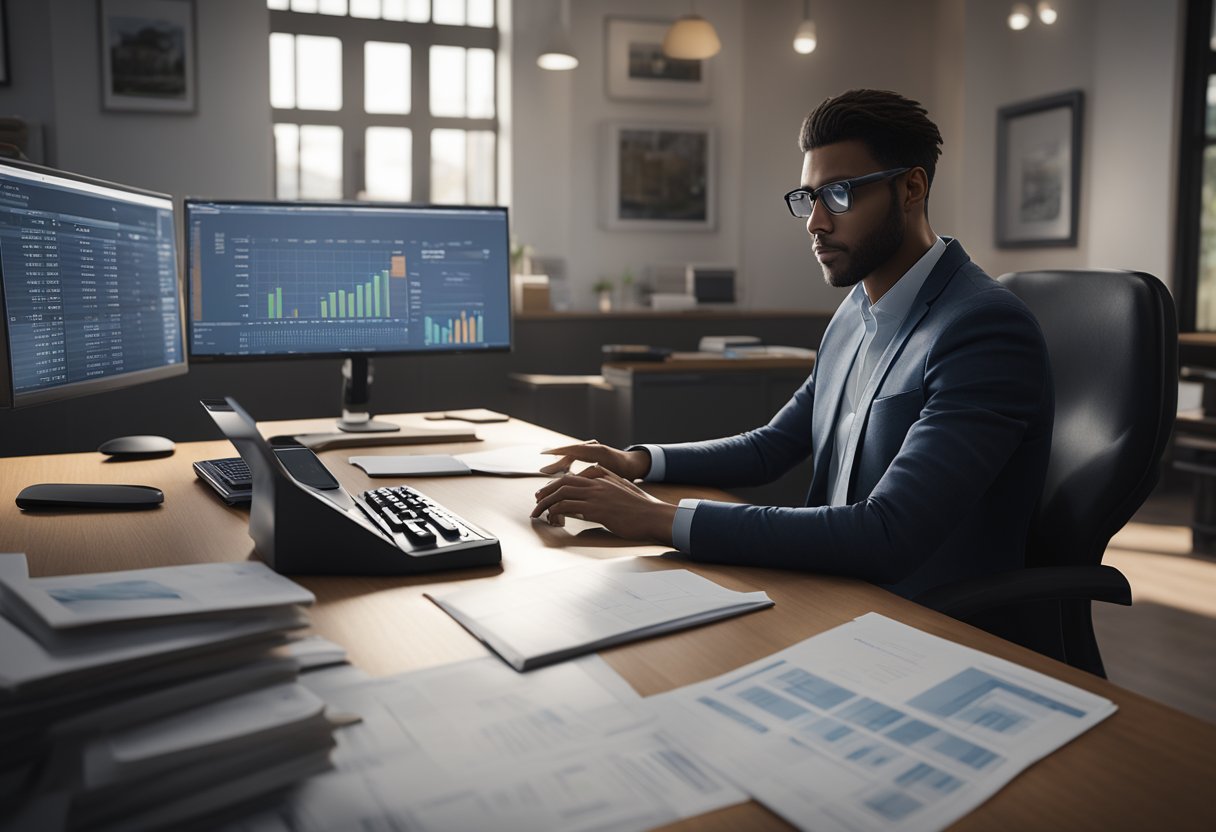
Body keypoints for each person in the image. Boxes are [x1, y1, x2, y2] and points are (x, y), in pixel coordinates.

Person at [531, 89, 1054, 598]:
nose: (815, 222)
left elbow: (888, 535)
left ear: (912, 189)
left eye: (841, 194)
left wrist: (657, 518)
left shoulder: (982, 328)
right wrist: (636, 462)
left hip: (930, 625)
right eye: (809, 197)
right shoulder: (855, 312)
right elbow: (770, 448)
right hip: (832, 588)